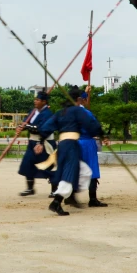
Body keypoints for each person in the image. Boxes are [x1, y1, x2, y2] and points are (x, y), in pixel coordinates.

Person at [35, 86, 108, 216]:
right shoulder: (78, 112)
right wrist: (102, 134)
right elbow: (91, 124)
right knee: (70, 174)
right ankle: (57, 202)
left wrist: (40, 141)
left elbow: (47, 127)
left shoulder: (61, 112)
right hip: (71, 145)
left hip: (63, 144)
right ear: (78, 99)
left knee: (84, 171)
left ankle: (70, 196)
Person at [71, 88, 107, 208]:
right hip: (86, 143)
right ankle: (92, 198)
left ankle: (70, 196)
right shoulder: (86, 113)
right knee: (92, 170)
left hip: (73, 143)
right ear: (83, 100)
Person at [17, 91, 57, 196]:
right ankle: (30, 188)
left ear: (44, 102)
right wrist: (21, 127)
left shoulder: (48, 114)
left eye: (38, 100)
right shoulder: (33, 112)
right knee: (27, 163)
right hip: (32, 142)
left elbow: (43, 129)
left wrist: (27, 127)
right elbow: (26, 122)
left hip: (45, 142)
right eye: (35, 99)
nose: (35, 101)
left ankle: (54, 190)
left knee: (49, 166)